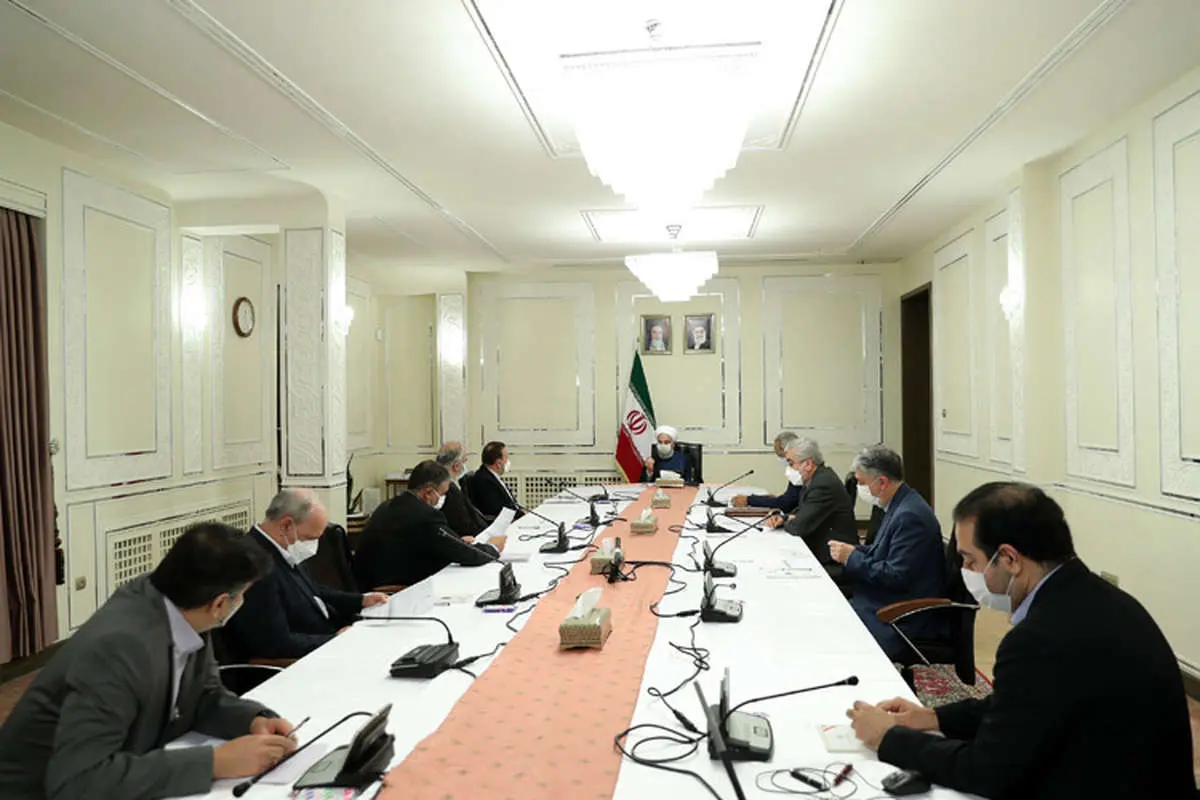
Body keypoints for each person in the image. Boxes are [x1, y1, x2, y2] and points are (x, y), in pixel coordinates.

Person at [846, 483, 1195, 799]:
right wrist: (932, 717)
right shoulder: (1103, 599)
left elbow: (987, 771)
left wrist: (888, 738)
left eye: (970, 560)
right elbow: (1025, 704)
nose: (965, 572)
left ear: (1010, 559)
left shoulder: (1040, 637)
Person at [0, 523, 298, 799]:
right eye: (242, 595)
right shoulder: (119, 649)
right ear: (220, 603)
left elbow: (201, 697)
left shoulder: (183, 605)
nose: (241, 603)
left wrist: (252, 719)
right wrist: (214, 763)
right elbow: (78, 781)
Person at [222, 490, 388, 661]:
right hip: (307, 658)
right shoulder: (255, 565)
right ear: (287, 525)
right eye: (309, 538)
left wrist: (361, 600)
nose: (313, 546)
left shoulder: (283, 547)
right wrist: (335, 640)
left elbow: (312, 592)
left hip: (330, 637)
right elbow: (276, 644)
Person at [831, 445, 946, 660]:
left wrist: (852, 558)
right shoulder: (900, 503)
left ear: (882, 482)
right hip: (888, 600)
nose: (860, 489)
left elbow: (895, 576)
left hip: (902, 614)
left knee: (833, 632)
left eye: (862, 483)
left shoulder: (910, 516)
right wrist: (854, 550)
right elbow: (883, 551)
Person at [354, 460, 501, 589]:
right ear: (428, 492)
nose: (443, 499)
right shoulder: (425, 516)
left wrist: (457, 541)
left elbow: (438, 541)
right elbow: (466, 555)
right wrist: (493, 547)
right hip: (396, 588)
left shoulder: (388, 505)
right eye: (442, 494)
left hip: (368, 582)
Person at [763, 438, 857, 568]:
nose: (789, 469)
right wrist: (783, 518)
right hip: (822, 546)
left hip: (832, 558)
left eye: (791, 463)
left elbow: (798, 527)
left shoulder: (823, 484)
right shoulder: (816, 478)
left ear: (807, 464)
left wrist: (787, 522)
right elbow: (802, 512)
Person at [731, 431, 802, 511]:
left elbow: (786, 504)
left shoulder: (799, 472)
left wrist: (749, 500)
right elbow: (788, 500)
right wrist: (770, 500)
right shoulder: (794, 470)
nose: (779, 459)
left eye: (780, 455)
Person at [436, 441, 488, 538]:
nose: (466, 463)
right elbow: (464, 525)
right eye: (464, 460)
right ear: (456, 466)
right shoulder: (449, 489)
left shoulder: (454, 484)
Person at [467, 441, 524, 520]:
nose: (508, 461)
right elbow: (497, 509)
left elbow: (511, 503)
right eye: (506, 458)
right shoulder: (483, 480)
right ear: (498, 463)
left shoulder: (491, 475)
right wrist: (522, 514)